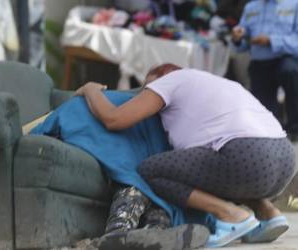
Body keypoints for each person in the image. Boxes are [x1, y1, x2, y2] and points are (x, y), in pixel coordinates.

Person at [76, 63, 296, 248]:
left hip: (246, 155)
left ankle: (231, 215)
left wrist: (91, 91)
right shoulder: (221, 83)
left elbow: (114, 119)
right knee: (209, 171)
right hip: (285, 161)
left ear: (162, 77)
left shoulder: (170, 80)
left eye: (146, 89)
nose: (145, 95)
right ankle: (268, 213)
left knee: (150, 170)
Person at [231, 0, 298, 140]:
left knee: (290, 71)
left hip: (286, 59)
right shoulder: (251, 7)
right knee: (264, 120)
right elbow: (242, 43)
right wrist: (237, 38)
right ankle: (275, 130)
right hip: (260, 62)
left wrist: (271, 41)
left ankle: (295, 127)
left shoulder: (294, 4)